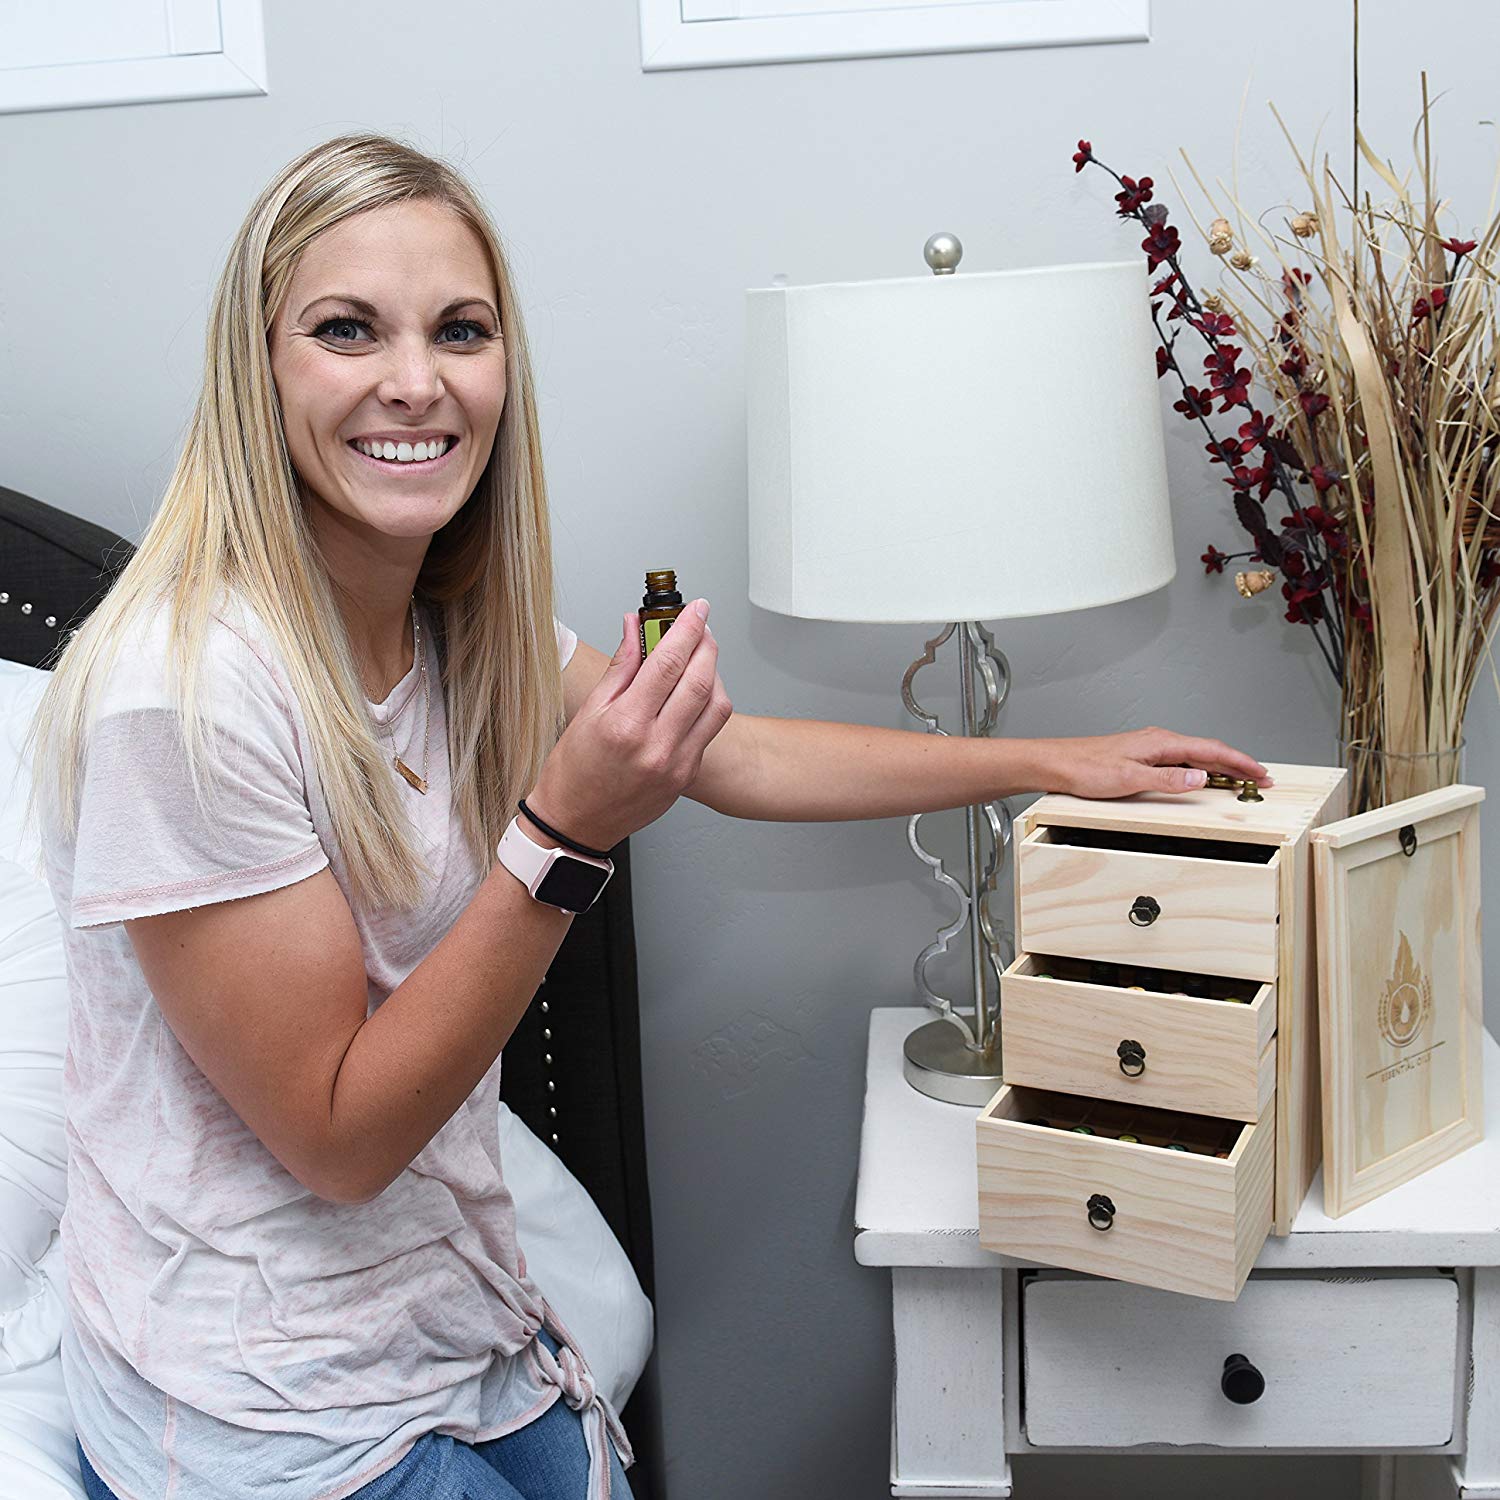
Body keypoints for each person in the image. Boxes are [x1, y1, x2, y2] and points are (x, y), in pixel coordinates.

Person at [21, 132, 1271, 1500]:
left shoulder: (455, 619)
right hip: (266, 1403)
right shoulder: (180, 695)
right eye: (345, 330)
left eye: (461, 329)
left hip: (455, 1323)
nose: (416, 382)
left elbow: (731, 759)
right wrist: (561, 836)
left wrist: (1054, 760)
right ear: (256, 370)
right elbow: (339, 1136)